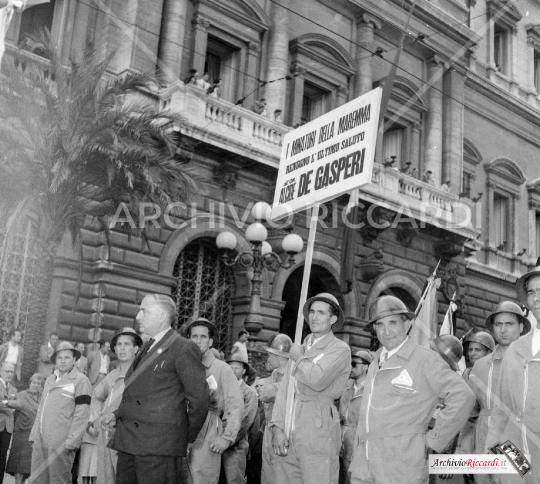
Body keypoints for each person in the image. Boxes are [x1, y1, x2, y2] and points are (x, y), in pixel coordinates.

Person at [349, 295, 476, 484]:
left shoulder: (424, 359)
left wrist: (434, 440)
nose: (387, 331)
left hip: (402, 464)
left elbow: (463, 396)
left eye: (393, 323)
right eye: (380, 325)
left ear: (407, 324)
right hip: (365, 462)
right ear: (374, 329)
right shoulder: (376, 361)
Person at [103, 294, 209, 484]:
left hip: (159, 447)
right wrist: (118, 413)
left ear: (161, 315)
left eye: (144, 310)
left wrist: (180, 437)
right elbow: (147, 394)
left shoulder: (182, 348)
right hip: (130, 442)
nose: (138, 316)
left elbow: (199, 400)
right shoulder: (148, 346)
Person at [270, 293, 351, 484]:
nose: (314, 317)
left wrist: (299, 357)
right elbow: (285, 390)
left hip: (319, 422)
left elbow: (317, 379)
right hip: (291, 421)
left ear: (332, 319)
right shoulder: (301, 346)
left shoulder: (339, 349)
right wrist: (277, 427)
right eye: (312, 312)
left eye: (321, 313)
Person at [487, 258, 540, 484]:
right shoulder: (516, 349)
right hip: (515, 447)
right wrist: (494, 454)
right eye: (531, 292)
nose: (536, 297)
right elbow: (501, 410)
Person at [469, 302, 528, 484]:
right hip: (483, 434)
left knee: (518, 480)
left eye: (509, 324)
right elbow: (469, 412)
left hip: (516, 434)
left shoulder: (530, 362)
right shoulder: (480, 366)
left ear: (520, 327)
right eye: (498, 324)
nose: (503, 330)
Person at [182, 317, 243, 484]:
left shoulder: (222, 369)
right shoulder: (181, 365)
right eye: (194, 336)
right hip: (181, 429)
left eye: (203, 337)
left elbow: (235, 404)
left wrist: (226, 437)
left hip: (208, 431)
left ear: (210, 341)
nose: (198, 341)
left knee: (203, 477)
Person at [30, 341, 92, 484]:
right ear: (55, 360)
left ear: (74, 360)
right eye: (60, 357)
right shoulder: (50, 379)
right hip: (41, 440)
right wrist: (34, 434)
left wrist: (72, 441)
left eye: (67, 357)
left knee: (58, 480)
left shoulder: (81, 381)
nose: (63, 361)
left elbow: (82, 414)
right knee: (38, 480)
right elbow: (41, 408)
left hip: (61, 442)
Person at [88, 327, 141, 484]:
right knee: (104, 477)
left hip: (126, 437)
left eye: (127, 344)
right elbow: (96, 396)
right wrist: (97, 418)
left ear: (136, 348)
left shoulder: (140, 375)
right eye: (119, 345)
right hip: (105, 435)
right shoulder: (111, 375)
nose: (122, 348)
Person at [259, 334, 292, 484]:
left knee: (281, 475)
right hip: (269, 429)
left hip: (283, 431)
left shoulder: (292, 375)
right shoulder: (273, 375)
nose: (268, 358)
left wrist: (266, 391)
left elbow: (267, 393)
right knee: (268, 474)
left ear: (276, 355)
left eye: (269, 355)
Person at [456, 331, 495, 456]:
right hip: (468, 429)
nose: (472, 353)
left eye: (477, 350)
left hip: (491, 428)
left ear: (489, 353)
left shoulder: (495, 373)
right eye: (470, 350)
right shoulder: (467, 373)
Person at [223, 352, 258, 484]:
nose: (232, 370)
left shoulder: (249, 393)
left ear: (243, 371)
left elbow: (246, 421)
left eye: (236, 368)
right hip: (216, 444)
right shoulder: (222, 388)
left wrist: (227, 440)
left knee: (234, 480)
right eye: (230, 367)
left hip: (235, 446)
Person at [339, 350, 372, 484]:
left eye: (354, 364)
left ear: (366, 366)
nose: (350, 368)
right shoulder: (345, 387)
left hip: (360, 440)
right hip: (342, 439)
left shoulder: (372, 390)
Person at [6, 373, 44, 484]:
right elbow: (13, 403)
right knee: (20, 465)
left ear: (41, 386)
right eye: (34, 383)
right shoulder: (21, 394)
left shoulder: (43, 397)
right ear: (30, 383)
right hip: (22, 434)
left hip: (36, 435)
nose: (36, 385)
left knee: (30, 466)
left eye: (38, 384)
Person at [0, 362, 17, 484]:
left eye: (11, 372)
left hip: (7, 428)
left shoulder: (14, 389)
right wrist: (10, 406)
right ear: (1, 371)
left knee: (1, 460)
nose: (9, 374)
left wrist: (6, 404)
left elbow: (17, 405)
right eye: (7, 371)